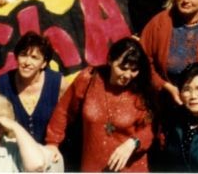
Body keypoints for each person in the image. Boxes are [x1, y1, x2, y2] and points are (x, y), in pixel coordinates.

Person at [46, 36, 155, 172]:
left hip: (130, 168)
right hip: (93, 166)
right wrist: (52, 143)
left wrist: (133, 143)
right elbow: (64, 111)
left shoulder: (140, 90)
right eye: (123, 68)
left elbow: (151, 128)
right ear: (110, 60)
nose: (128, 75)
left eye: (134, 70)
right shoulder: (89, 78)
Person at [0, 32, 63, 145]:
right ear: (16, 57)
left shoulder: (58, 83)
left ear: (44, 63)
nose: (27, 62)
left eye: (35, 57)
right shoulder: (2, 83)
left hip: (51, 153)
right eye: (23, 55)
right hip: (15, 154)